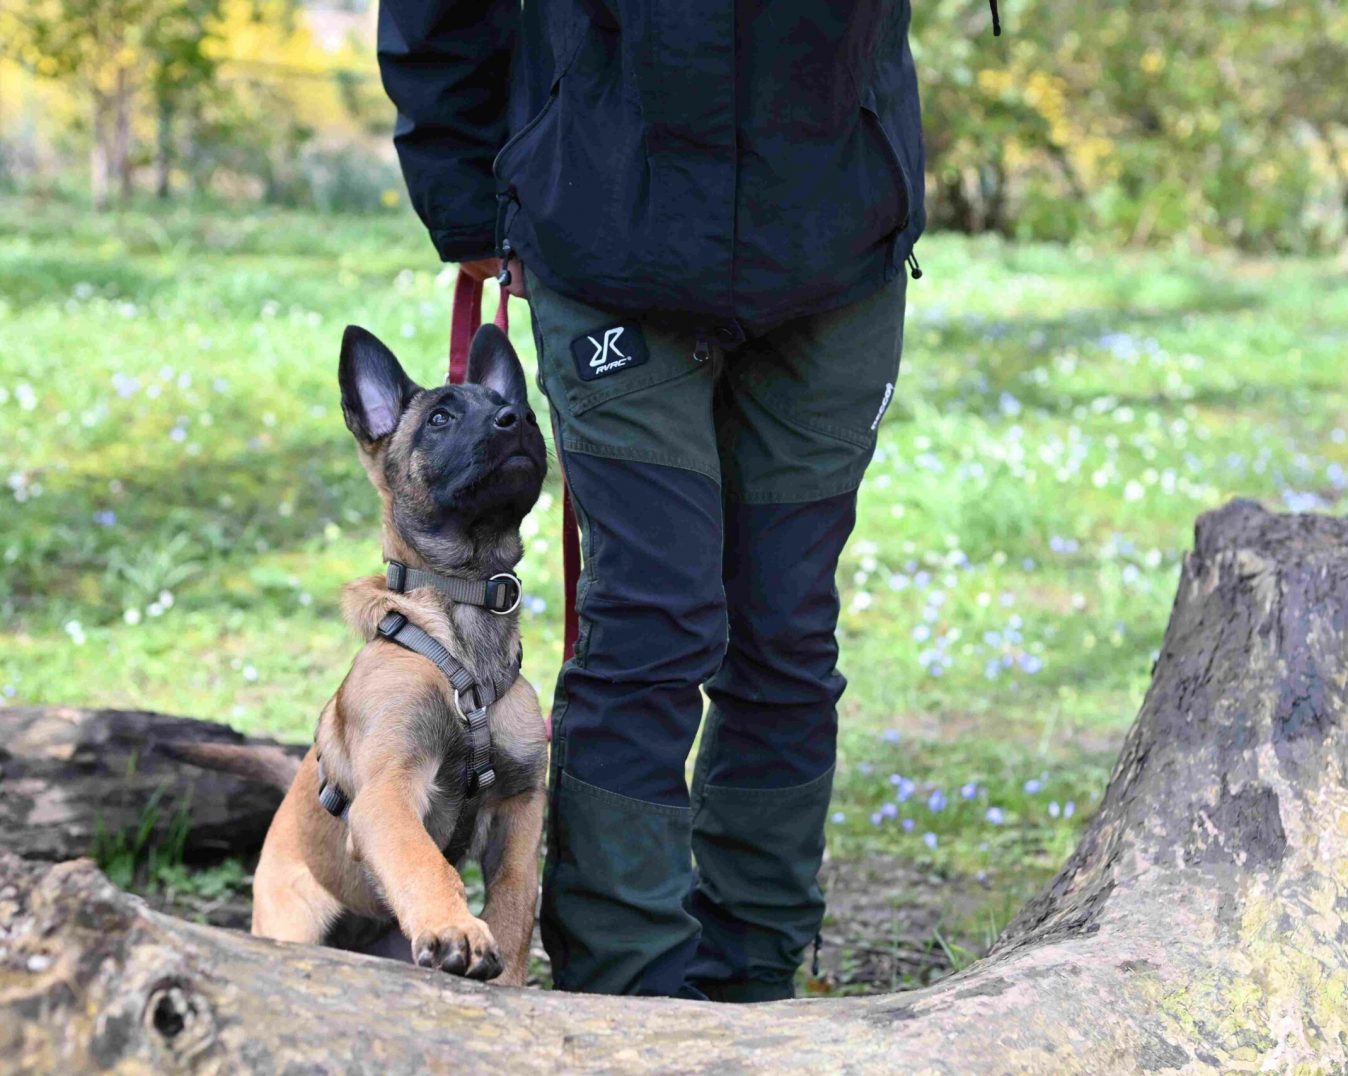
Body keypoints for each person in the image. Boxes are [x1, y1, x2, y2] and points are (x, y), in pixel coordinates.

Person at [378, 0, 926, 1000]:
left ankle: (753, 982)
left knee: (786, 629)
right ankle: (628, 994)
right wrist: (465, 198)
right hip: (604, 228)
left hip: (834, 233)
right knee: (651, 621)